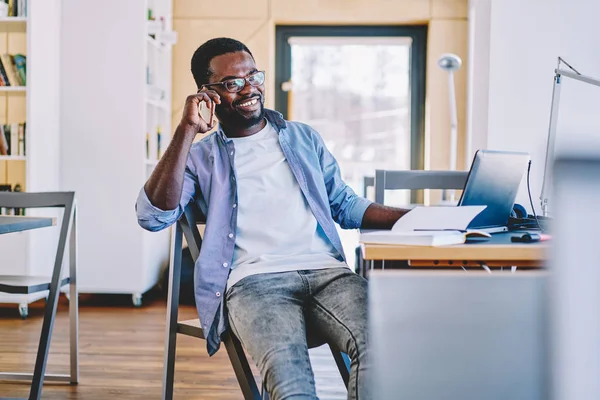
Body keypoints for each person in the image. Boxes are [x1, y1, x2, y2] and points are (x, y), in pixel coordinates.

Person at [136, 37, 408, 400]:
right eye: (233, 83)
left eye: (253, 76)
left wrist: (418, 218)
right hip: (255, 283)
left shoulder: (302, 138)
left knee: (383, 349)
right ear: (208, 94)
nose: (250, 88)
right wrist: (185, 131)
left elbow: (345, 205)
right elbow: (152, 217)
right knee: (289, 380)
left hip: (328, 274)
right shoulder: (200, 157)